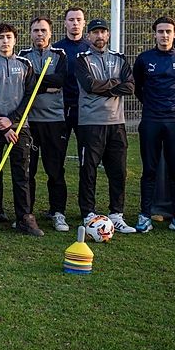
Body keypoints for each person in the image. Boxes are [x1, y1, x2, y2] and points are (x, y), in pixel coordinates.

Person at [0, 23, 42, 237]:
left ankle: (25, 217)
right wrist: (1, 123)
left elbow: (30, 97)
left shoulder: (25, 64)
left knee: (22, 173)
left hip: (19, 128)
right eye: (1, 37)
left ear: (15, 40)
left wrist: (12, 120)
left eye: (8, 37)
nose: (5, 41)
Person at [133, 16, 175, 235]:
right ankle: (145, 215)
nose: (164, 35)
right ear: (155, 34)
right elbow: (138, 88)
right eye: (160, 31)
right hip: (151, 120)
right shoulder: (144, 59)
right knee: (149, 169)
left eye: (168, 31)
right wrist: (153, 105)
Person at [74, 19, 137, 234]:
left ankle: (116, 214)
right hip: (90, 123)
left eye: (102, 32)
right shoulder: (82, 59)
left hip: (116, 123)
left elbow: (130, 87)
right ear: (88, 36)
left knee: (118, 170)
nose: (99, 36)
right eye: (95, 32)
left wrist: (104, 87)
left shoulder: (119, 59)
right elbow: (89, 85)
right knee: (88, 170)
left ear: (108, 35)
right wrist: (114, 83)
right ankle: (88, 213)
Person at [18, 17, 69, 231]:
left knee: (54, 169)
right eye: (36, 30)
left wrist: (37, 81)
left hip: (54, 120)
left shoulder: (60, 55)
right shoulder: (23, 56)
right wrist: (45, 85)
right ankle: (27, 213)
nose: (40, 34)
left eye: (43, 30)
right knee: (28, 170)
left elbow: (60, 80)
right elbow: (25, 82)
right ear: (30, 33)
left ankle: (58, 212)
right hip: (29, 121)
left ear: (50, 33)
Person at [52, 7, 91, 151]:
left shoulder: (91, 49)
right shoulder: (56, 49)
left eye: (79, 20)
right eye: (71, 20)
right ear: (65, 23)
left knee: (86, 152)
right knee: (57, 152)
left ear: (84, 23)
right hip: (61, 108)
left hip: (85, 108)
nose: (75, 23)